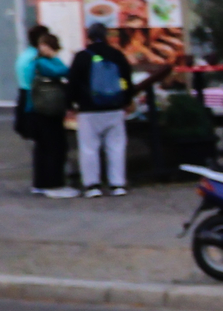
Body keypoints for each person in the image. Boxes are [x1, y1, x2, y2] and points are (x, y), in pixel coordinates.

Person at [65, 22, 142, 198]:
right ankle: (117, 184)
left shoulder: (82, 56)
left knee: (89, 148)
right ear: (107, 35)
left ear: (89, 36)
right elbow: (126, 80)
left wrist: (69, 105)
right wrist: (126, 99)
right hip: (114, 109)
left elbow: (73, 83)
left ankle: (93, 185)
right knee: (116, 146)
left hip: (88, 110)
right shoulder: (116, 55)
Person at [14, 25, 71, 196]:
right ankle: (52, 184)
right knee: (54, 145)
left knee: (41, 146)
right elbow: (64, 71)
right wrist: (54, 56)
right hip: (44, 106)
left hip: (31, 103)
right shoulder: (40, 60)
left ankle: (40, 183)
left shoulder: (25, 57)